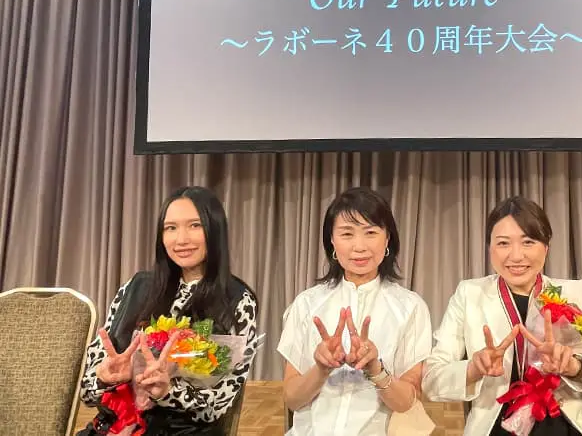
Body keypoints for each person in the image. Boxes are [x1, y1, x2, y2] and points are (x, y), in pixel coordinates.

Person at [422, 196, 582, 435]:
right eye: (503, 243)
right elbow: (432, 380)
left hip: (568, 428)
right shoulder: (469, 295)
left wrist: (575, 366)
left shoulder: (576, 294)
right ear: (489, 248)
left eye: (528, 242)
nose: (516, 256)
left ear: (546, 247)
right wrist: (473, 369)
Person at [77, 186, 259, 435]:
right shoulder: (135, 287)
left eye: (194, 225)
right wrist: (104, 378)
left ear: (214, 230)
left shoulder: (238, 301)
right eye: (170, 228)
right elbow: (86, 392)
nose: (181, 239)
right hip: (112, 428)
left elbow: (217, 405)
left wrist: (168, 392)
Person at [277, 187, 433, 435]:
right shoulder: (306, 304)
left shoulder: (411, 307)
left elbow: (406, 403)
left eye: (370, 233)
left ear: (388, 239)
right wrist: (321, 369)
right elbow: (292, 399)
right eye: (347, 233)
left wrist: (375, 369)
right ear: (331, 240)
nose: (359, 246)